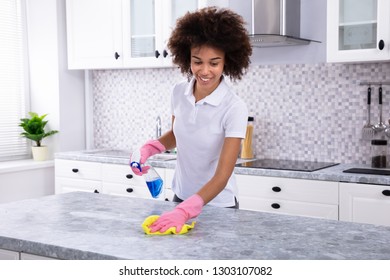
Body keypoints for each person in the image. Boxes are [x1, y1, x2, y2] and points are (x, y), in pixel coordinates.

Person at [130, 6, 252, 234]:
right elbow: (178, 132)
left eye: (214, 63)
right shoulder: (179, 92)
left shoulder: (234, 107)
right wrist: (150, 148)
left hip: (218, 205)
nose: (205, 70)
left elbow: (223, 175)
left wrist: (187, 211)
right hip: (180, 197)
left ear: (227, 62)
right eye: (198, 62)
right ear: (188, 59)